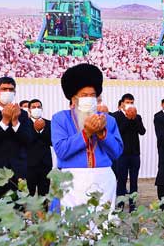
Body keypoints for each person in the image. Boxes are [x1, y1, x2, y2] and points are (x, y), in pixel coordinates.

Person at [50, 64, 123, 209]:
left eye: (92, 95)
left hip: (103, 179)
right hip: (72, 180)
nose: (89, 99)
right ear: (74, 98)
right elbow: (61, 151)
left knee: (103, 226)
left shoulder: (108, 120)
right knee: (73, 226)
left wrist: (102, 133)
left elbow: (116, 152)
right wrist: (86, 133)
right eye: (84, 95)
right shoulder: (60, 118)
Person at [109, 93, 146, 211]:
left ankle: (133, 204)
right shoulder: (116, 116)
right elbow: (118, 131)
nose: (130, 105)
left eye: (131, 102)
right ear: (122, 104)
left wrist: (134, 119)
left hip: (135, 153)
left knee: (134, 180)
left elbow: (142, 131)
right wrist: (127, 119)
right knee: (121, 179)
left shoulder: (137, 116)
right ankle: (120, 204)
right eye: (127, 102)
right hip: (121, 153)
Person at [25, 99, 53, 201]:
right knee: (29, 194)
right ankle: (27, 217)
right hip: (29, 164)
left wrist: (42, 130)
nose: (36, 109)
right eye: (33, 107)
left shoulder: (49, 123)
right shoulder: (24, 123)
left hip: (45, 164)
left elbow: (52, 142)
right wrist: (36, 130)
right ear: (29, 110)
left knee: (44, 194)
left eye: (38, 107)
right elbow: (26, 141)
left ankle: (43, 216)